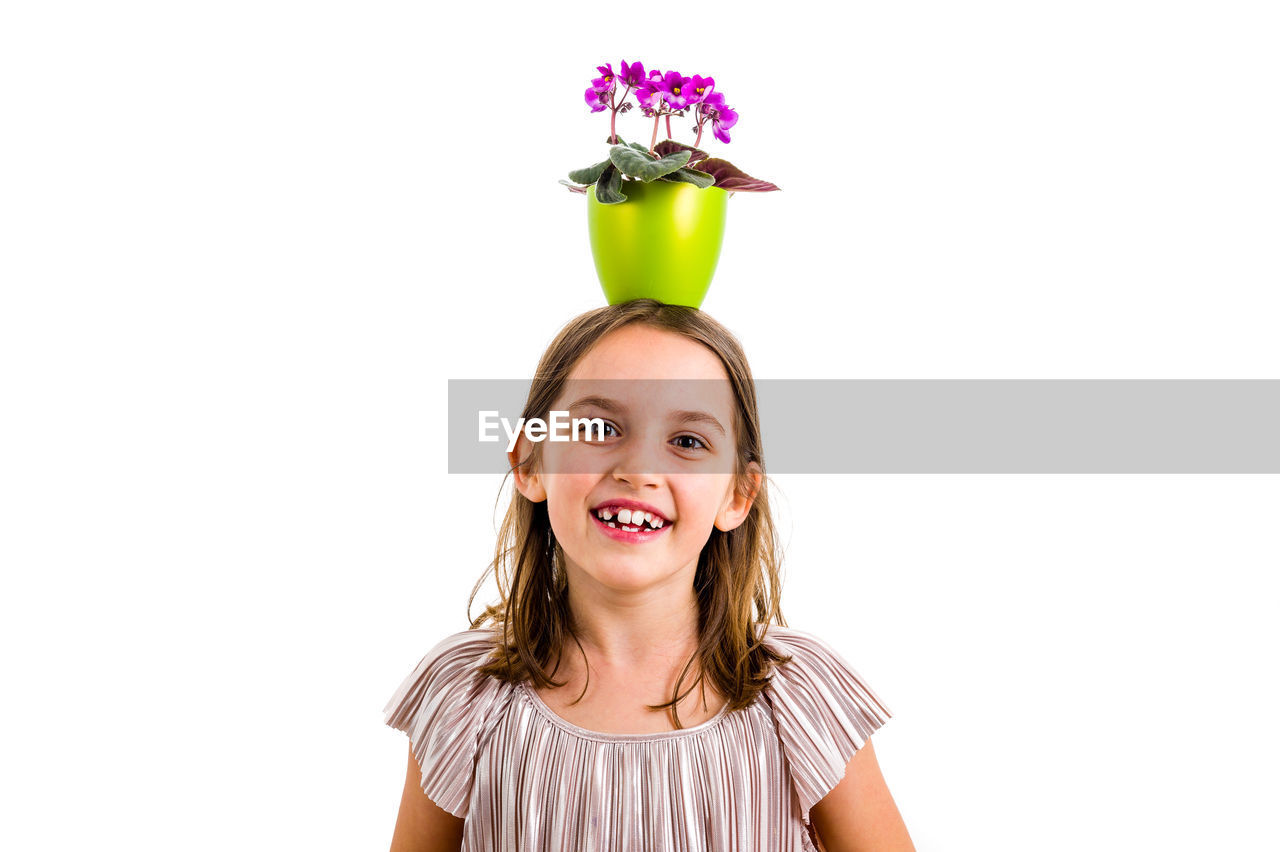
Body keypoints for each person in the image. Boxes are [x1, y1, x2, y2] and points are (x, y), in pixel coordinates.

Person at [383, 299, 915, 851]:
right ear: (530, 461)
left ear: (738, 494)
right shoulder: (464, 696)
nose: (638, 469)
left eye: (687, 442)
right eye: (598, 427)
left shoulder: (798, 697)